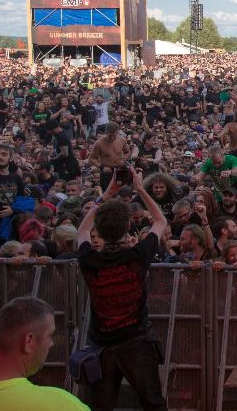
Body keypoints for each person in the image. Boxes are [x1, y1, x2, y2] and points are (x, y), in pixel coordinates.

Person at [76, 167, 167, 411]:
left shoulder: (88, 260)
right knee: (153, 404)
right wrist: (139, 188)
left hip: (101, 345)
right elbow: (160, 221)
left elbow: (82, 231)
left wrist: (106, 194)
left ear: (101, 231)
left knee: (100, 406)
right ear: (128, 226)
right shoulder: (137, 255)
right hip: (136, 342)